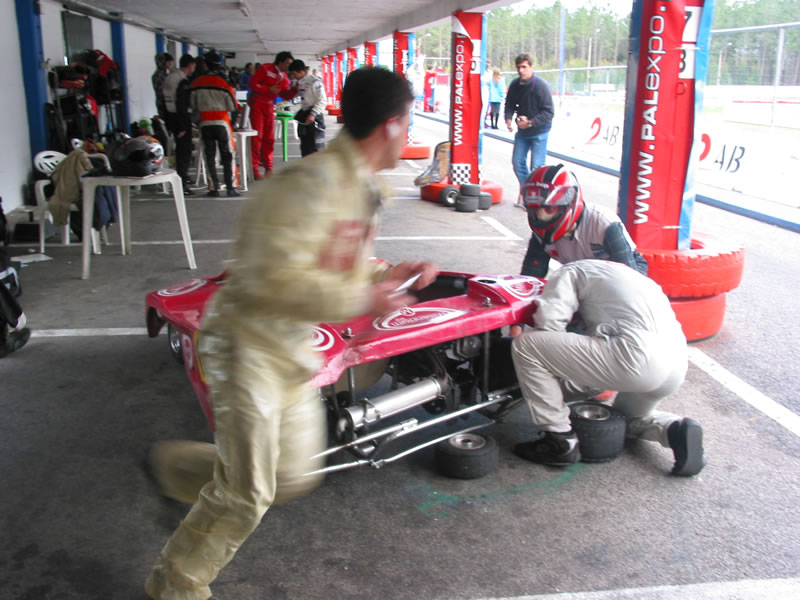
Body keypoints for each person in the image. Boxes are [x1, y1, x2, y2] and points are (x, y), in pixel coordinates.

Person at [144, 66, 438, 600]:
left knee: (293, 476)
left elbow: (338, 263)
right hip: (245, 344)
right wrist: (363, 299)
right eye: (410, 121)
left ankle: (180, 468)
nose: (411, 131)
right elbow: (269, 279)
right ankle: (175, 584)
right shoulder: (308, 185)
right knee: (248, 493)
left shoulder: (364, 188)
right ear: (391, 125)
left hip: (290, 349)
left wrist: (384, 274)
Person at [511, 260, 705, 476]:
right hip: (675, 362)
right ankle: (673, 430)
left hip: (635, 357)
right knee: (627, 420)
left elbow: (549, 323)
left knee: (527, 346)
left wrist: (545, 381)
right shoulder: (637, 279)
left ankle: (559, 440)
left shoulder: (572, 270)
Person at [518, 164, 647, 278]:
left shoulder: (603, 223)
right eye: (534, 210)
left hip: (627, 273)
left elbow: (629, 280)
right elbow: (530, 276)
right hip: (581, 277)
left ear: (568, 203)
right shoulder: (541, 233)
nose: (540, 217)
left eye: (548, 209)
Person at [504, 53, 554, 204]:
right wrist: (508, 118)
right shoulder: (515, 85)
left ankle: (536, 198)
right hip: (523, 132)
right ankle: (527, 191)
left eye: (524, 67)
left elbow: (549, 112)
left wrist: (531, 122)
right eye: (518, 67)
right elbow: (510, 103)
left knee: (537, 167)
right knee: (517, 162)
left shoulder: (541, 86)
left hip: (539, 131)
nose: (521, 70)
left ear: (531, 67)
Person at [190, 52, 240, 197]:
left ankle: (214, 188)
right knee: (228, 155)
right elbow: (232, 106)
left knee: (209, 156)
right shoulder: (224, 83)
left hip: (205, 122)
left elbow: (192, 104)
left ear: (205, 64)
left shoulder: (196, 83)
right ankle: (231, 187)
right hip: (222, 122)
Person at [248, 51, 298, 179]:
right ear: (280, 62)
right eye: (287, 63)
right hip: (257, 104)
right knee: (256, 137)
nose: (289, 66)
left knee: (269, 138)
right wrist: (267, 89)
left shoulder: (285, 77)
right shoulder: (265, 69)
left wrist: (296, 89)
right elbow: (253, 84)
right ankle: (254, 168)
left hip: (269, 106)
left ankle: (269, 167)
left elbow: (285, 95)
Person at [162, 54, 197, 196]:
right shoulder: (182, 81)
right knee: (184, 152)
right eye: (193, 66)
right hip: (180, 119)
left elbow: (162, 101)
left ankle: (182, 179)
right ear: (190, 65)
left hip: (171, 118)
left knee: (180, 151)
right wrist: (183, 126)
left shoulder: (169, 77)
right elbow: (182, 104)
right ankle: (182, 183)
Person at [288, 59, 327, 157]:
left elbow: (322, 100)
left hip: (315, 117)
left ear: (301, 71)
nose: (293, 77)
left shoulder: (315, 82)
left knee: (315, 147)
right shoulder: (301, 83)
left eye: (294, 74)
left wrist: (313, 114)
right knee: (305, 146)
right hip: (305, 115)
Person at [151, 52, 175, 120]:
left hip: (165, 104)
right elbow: (163, 91)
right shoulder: (159, 75)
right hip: (163, 104)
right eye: (169, 62)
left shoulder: (164, 74)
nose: (170, 64)